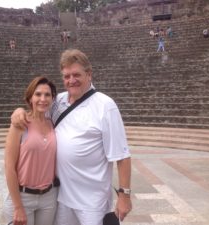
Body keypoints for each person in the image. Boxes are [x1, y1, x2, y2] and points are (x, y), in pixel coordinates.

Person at [12, 49, 132, 225]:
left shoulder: (105, 105)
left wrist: (124, 196)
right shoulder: (58, 101)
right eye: (66, 76)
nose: (71, 80)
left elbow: (122, 156)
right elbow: (37, 111)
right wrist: (19, 111)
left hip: (93, 202)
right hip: (62, 198)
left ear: (89, 74)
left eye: (76, 74)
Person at [4, 76, 59, 225]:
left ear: (53, 98)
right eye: (38, 94)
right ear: (30, 98)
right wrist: (18, 207)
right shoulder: (20, 124)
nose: (43, 99)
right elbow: (9, 168)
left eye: (47, 95)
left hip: (49, 196)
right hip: (23, 196)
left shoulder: (53, 123)